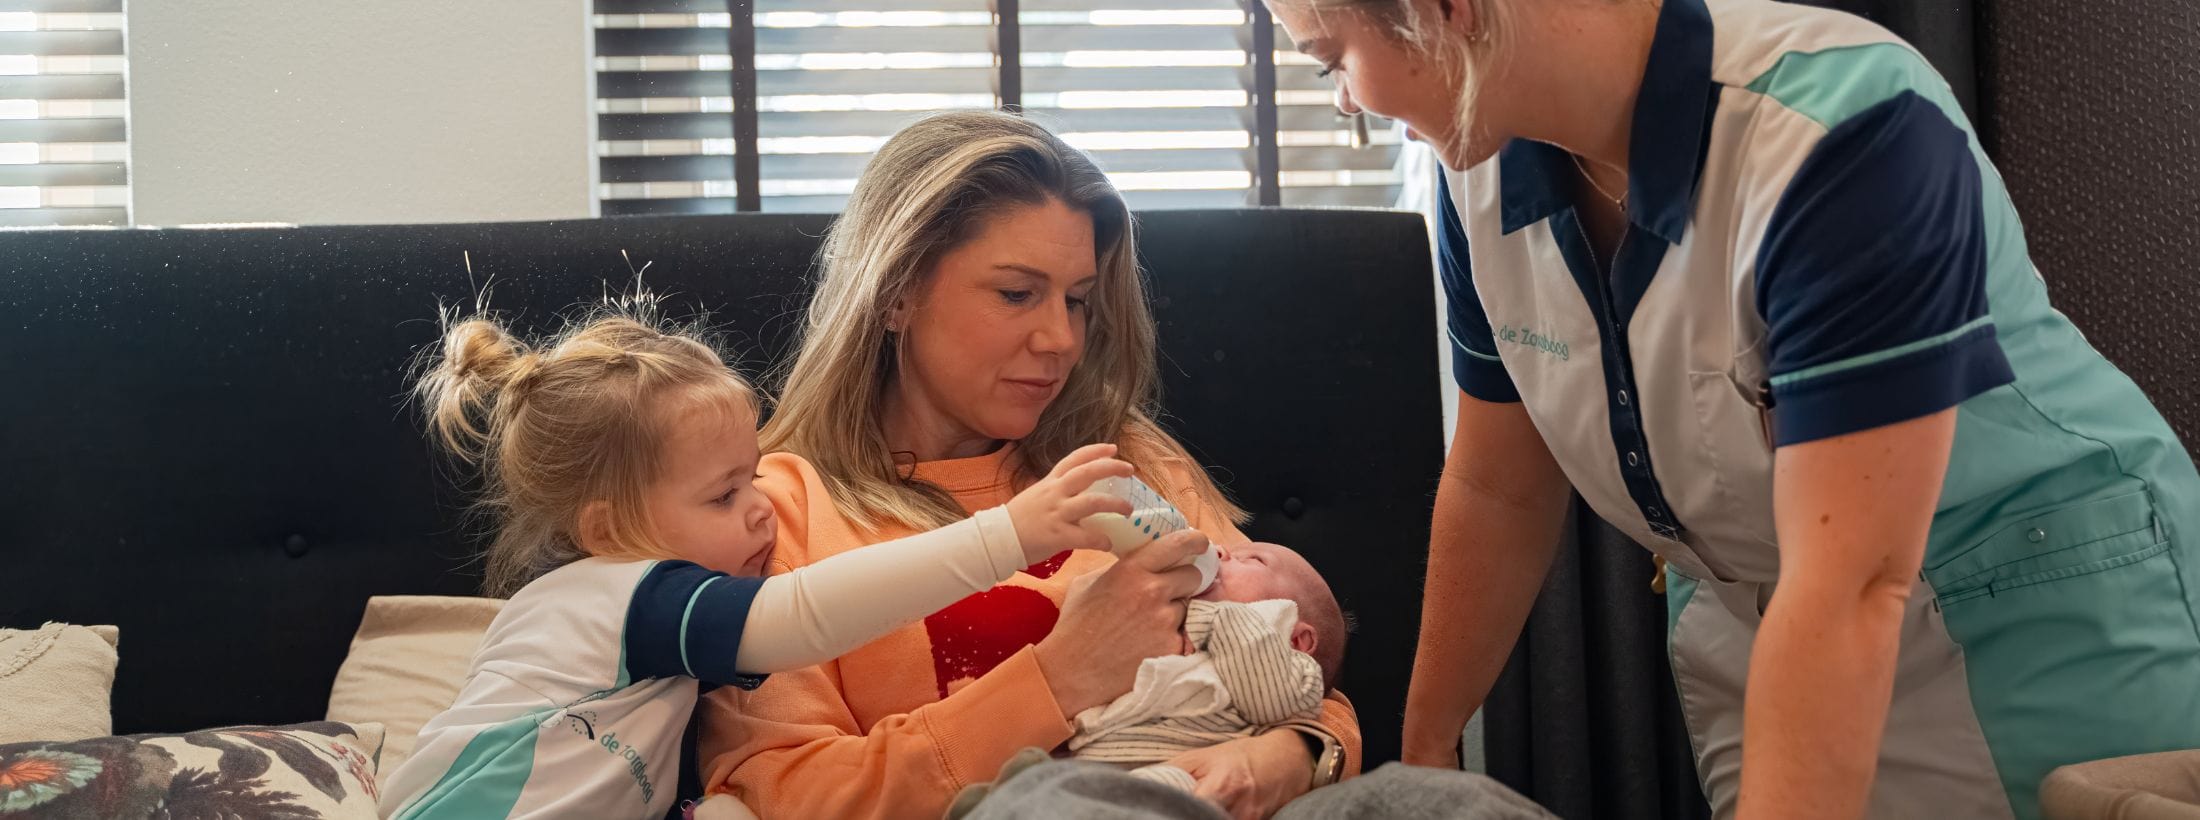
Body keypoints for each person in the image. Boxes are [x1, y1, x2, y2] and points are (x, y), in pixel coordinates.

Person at [1260, 0, 2200, 816]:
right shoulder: (1482, 164)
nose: (1343, 100)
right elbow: (1499, 485)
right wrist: (1422, 759)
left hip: (2028, 605)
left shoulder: (1841, 130)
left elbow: (1852, 587)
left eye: (1332, 58)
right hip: (1769, 628)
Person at [698, 110, 1361, 820]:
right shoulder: (774, 513)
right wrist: (1059, 676)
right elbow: (785, 793)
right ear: (895, 293)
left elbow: (1298, 663)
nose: (1062, 339)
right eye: (1017, 294)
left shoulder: (1124, 457)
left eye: (1077, 301)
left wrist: (1289, 756)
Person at [379, 303, 1146, 819]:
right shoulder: (622, 596)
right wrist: (1007, 536)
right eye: (723, 496)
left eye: (754, 478)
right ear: (607, 529)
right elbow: (802, 617)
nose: (760, 509)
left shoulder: (642, 645)